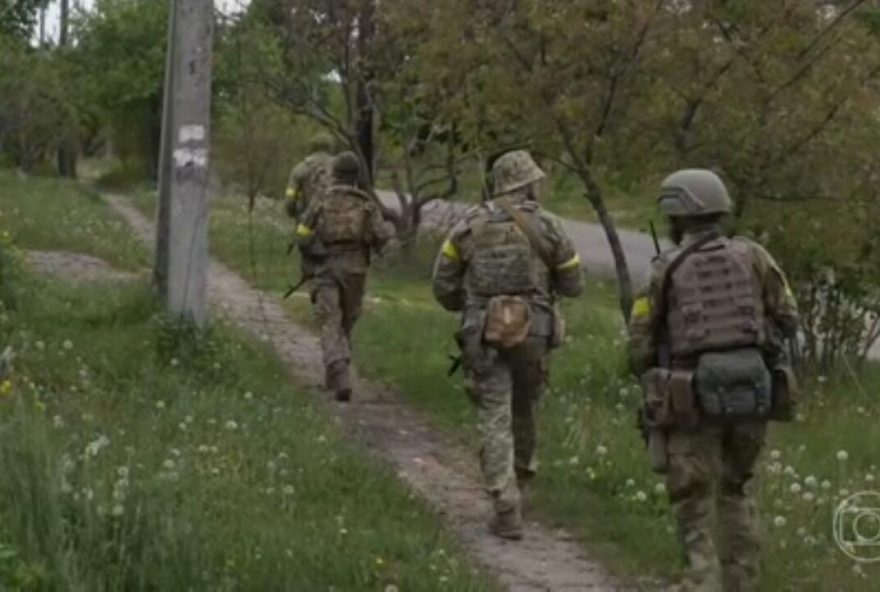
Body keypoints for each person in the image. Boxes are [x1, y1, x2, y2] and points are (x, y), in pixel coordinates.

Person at [627, 169, 799, 591]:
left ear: (676, 214)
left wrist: (651, 376)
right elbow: (789, 317)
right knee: (736, 491)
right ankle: (743, 582)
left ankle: (702, 582)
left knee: (693, 500)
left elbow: (640, 343)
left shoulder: (664, 269)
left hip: (691, 399)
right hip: (753, 393)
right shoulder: (755, 256)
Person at [432, 149, 584, 540]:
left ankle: (505, 502)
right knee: (526, 409)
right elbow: (574, 283)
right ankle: (521, 481)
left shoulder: (468, 225)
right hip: (533, 333)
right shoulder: (549, 225)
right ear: (526, 183)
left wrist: (469, 307)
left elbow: (443, 284)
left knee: (494, 414)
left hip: (483, 332)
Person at [296, 151, 393, 402]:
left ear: (335, 173)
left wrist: (314, 252)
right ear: (356, 176)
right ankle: (338, 374)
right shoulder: (366, 204)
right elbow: (382, 236)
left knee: (330, 321)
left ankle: (338, 372)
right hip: (356, 269)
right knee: (347, 322)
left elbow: (303, 233)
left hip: (326, 266)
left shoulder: (321, 200)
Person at [284, 134, 335, 220]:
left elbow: (289, 200)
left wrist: (294, 214)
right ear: (330, 147)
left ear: (312, 147)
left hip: (306, 221)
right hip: (333, 222)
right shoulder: (338, 166)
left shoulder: (300, 168)